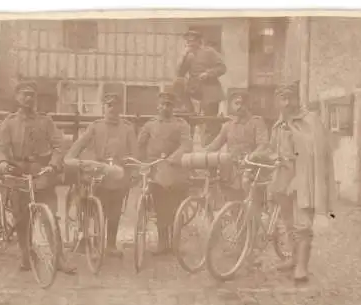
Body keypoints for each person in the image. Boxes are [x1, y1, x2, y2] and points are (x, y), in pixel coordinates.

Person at [0, 80, 76, 274]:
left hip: (41, 174)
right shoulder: (10, 122)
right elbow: (0, 148)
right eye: (24, 94)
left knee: (51, 217)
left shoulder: (45, 121)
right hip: (17, 174)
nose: (28, 98)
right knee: (22, 218)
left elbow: (58, 145)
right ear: (17, 97)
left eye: (32, 95)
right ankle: (26, 255)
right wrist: (3, 163)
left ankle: (59, 258)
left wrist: (53, 165)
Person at [266, 81, 335, 283]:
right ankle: (293, 259)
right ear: (278, 101)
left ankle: (302, 266)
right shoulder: (278, 124)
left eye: (290, 98)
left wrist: (299, 177)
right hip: (282, 179)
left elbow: (319, 154)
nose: (286, 103)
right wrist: (273, 158)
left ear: (297, 99)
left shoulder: (311, 121)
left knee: (302, 224)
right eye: (282, 99)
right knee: (288, 223)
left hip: (305, 180)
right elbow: (272, 149)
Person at [64, 93, 138, 257]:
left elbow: (134, 153)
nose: (112, 109)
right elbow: (79, 145)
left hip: (119, 174)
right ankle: (89, 238)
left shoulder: (127, 128)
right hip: (98, 174)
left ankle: (111, 244)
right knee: (94, 205)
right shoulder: (95, 127)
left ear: (120, 108)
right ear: (103, 108)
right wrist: (71, 158)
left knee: (115, 210)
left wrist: (133, 172)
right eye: (108, 105)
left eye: (115, 105)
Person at [137, 91, 193, 255]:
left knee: (176, 208)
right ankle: (162, 242)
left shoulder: (181, 124)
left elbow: (186, 145)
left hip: (175, 169)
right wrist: (142, 163)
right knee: (160, 207)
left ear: (173, 107)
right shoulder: (150, 125)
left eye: (168, 105)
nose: (165, 107)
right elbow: (140, 145)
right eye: (162, 104)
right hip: (155, 170)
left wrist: (173, 158)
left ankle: (174, 242)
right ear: (157, 106)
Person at [204, 90, 269, 200]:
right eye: (236, 104)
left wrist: (252, 156)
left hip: (250, 167)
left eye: (242, 103)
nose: (239, 107)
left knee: (251, 201)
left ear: (248, 105)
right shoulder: (228, 125)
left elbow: (263, 144)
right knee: (231, 199)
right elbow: (215, 144)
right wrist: (202, 153)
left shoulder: (257, 122)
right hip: (230, 170)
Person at [176, 29, 227, 147]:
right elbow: (179, 73)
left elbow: (222, 68)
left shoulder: (209, 52)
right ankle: (190, 147)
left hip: (210, 93)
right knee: (189, 120)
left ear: (199, 42)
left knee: (211, 123)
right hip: (193, 93)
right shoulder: (188, 55)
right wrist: (183, 56)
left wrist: (208, 74)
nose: (189, 44)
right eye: (187, 42)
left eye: (192, 41)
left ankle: (210, 149)